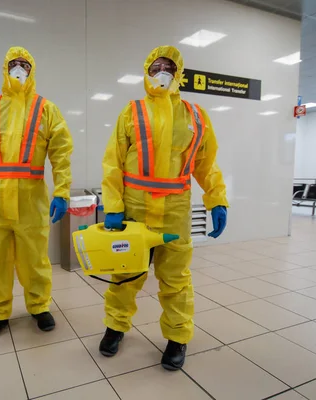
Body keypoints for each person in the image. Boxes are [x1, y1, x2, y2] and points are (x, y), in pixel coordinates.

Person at [99, 46, 229, 371]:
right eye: (156, 65)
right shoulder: (131, 111)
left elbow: (206, 164)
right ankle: (116, 326)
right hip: (134, 211)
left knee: (175, 279)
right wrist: (112, 207)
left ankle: (177, 337)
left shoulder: (196, 115)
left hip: (175, 212)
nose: (162, 71)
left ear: (179, 73)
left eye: (168, 66)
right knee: (125, 274)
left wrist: (216, 199)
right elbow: (113, 163)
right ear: (146, 71)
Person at [0, 47, 73, 344]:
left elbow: (61, 154)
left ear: (32, 70)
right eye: (14, 64)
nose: (19, 69)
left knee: (34, 258)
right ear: (5, 69)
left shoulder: (45, 109)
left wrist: (62, 191)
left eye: (25, 64)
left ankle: (39, 306)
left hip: (30, 200)